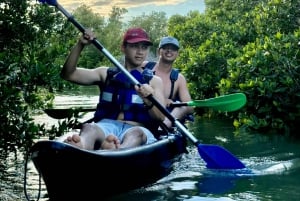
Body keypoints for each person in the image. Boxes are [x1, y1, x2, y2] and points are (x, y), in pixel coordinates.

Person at [61, 27, 166, 150]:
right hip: (107, 126)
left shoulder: (154, 81)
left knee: (136, 133)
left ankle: (117, 150)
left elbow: (161, 117)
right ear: (123, 47)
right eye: (134, 46)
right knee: (89, 128)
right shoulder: (105, 74)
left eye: (144, 47)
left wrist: (149, 100)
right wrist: (80, 45)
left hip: (138, 129)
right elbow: (68, 74)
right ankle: (81, 145)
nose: (140, 52)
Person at [143, 36, 194, 129]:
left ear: (177, 54)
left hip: (164, 120)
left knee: (182, 106)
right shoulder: (144, 66)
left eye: (173, 49)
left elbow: (190, 107)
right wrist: (162, 100)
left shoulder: (179, 78)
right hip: (143, 114)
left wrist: (174, 103)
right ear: (159, 51)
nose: (169, 51)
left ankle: (163, 128)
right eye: (165, 47)